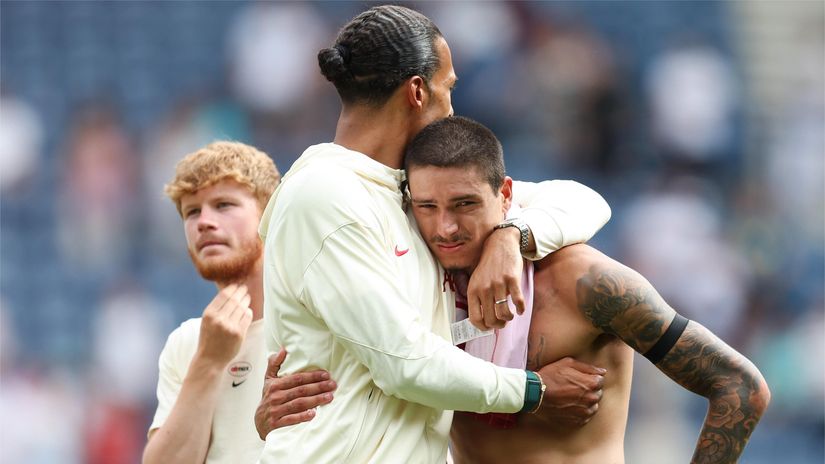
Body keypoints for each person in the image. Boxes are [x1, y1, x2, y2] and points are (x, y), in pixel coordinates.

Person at [256, 5, 612, 463]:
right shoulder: (325, 196)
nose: (452, 106)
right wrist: (533, 390)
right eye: (449, 89)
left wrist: (511, 237)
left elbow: (583, 201)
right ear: (418, 91)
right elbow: (405, 363)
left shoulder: (411, 190)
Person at [403, 116, 771, 463]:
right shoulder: (418, 286)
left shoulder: (589, 283)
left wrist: (509, 238)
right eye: (427, 207)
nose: (446, 227)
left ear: (505, 195)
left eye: (465, 204)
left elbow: (739, 386)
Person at [143, 141, 337, 464]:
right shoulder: (186, 343)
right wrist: (208, 360)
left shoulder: (321, 319)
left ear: (267, 215)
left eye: (223, 205)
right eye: (192, 211)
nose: (204, 221)